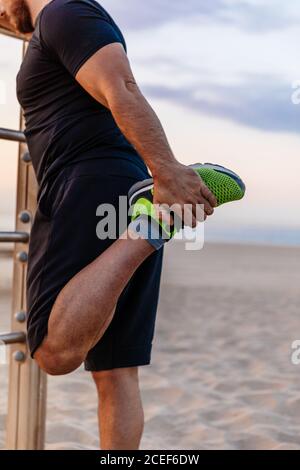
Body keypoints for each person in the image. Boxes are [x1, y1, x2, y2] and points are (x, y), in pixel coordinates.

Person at [0, 0, 245, 450]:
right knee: (116, 370)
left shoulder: (64, 12)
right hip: (126, 188)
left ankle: (152, 225)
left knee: (54, 352)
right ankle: (151, 221)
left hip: (86, 183)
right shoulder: (56, 24)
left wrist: (167, 171)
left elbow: (123, 88)